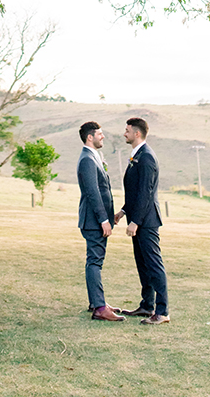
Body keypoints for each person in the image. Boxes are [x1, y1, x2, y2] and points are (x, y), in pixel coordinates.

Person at [115, 117, 169, 325]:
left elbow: (146, 192)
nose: (124, 133)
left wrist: (135, 221)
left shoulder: (146, 157)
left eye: (127, 130)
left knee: (154, 264)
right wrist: (123, 211)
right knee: (143, 264)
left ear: (137, 133)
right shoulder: (137, 155)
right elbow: (135, 191)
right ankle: (147, 306)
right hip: (138, 218)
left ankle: (162, 311)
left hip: (147, 221)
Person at [77, 121, 124, 322]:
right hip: (93, 221)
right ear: (90, 137)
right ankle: (99, 307)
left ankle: (97, 301)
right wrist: (103, 219)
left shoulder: (94, 157)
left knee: (95, 261)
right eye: (100, 134)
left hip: (97, 219)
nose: (103, 137)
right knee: (95, 262)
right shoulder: (87, 159)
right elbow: (93, 192)